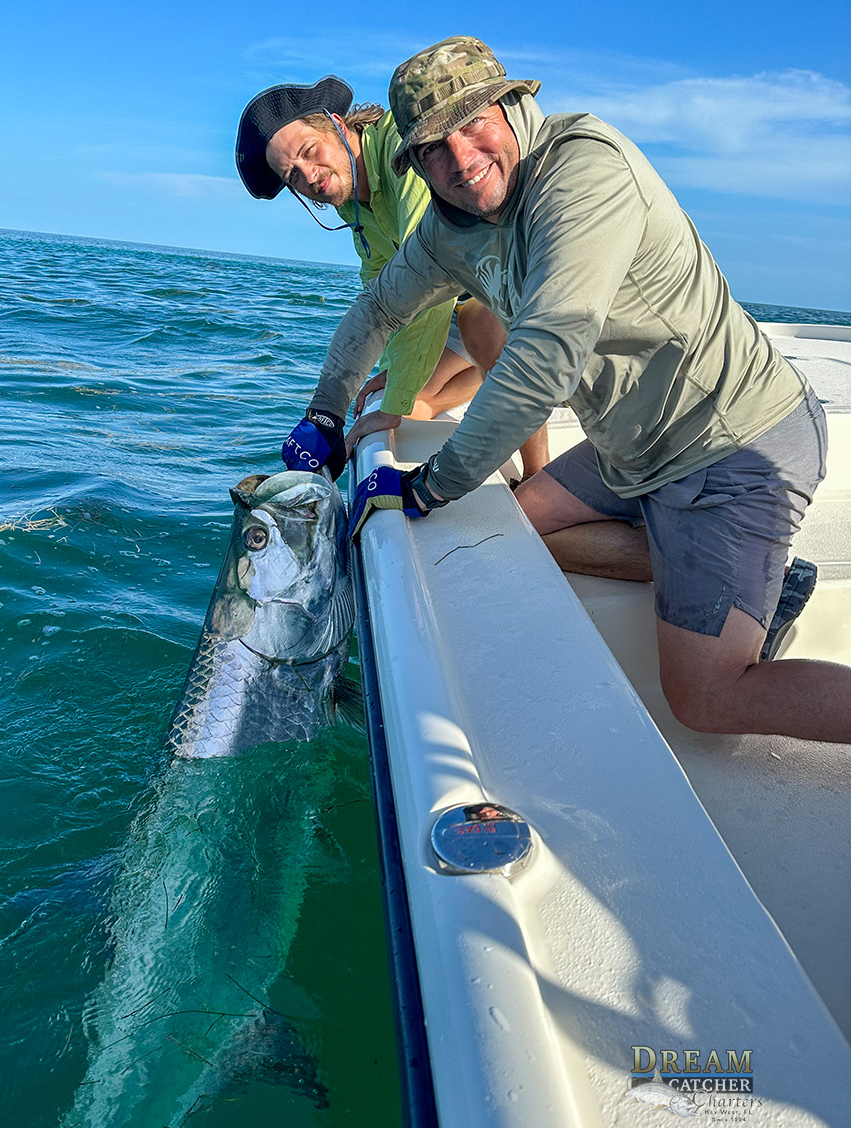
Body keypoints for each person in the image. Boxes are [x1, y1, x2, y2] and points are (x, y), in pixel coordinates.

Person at [282, 35, 851, 746]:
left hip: (732, 439)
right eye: (433, 148)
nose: (460, 158)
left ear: (516, 106)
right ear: (416, 162)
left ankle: (751, 587)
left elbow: (544, 358)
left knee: (706, 700)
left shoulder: (583, 170)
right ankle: (755, 580)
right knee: (516, 524)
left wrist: (428, 487)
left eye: (474, 122)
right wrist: (325, 414)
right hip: (628, 443)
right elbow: (376, 311)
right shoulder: (449, 227)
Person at [234, 75, 548, 473]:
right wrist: (342, 403)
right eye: (293, 175)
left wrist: (395, 403)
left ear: (336, 123)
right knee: (420, 402)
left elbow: (428, 285)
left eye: (309, 152)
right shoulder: (354, 206)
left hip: (512, 281)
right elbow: (380, 297)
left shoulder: (404, 157)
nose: (310, 176)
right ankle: (469, 378)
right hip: (460, 292)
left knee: (479, 330)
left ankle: (539, 472)